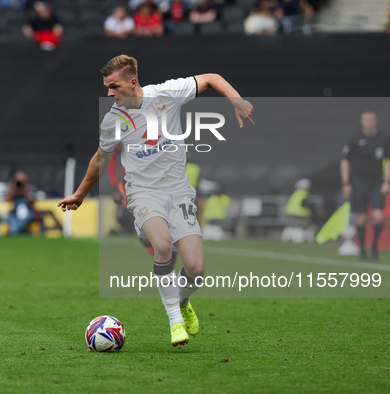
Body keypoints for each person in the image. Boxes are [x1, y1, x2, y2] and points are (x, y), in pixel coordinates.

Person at [58, 55, 254, 346]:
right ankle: (175, 321)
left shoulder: (166, 93)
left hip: (179, 191)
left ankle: (184, 303)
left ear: (133, 82)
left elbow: (211, 77)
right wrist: (80, 194)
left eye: (114, 86)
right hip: (143, 192)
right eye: (107, 87)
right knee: (162, 246)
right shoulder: (113, 119)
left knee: (196, 270)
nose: (109, 93)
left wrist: (235, 99)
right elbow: (101, 158)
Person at [341, 110, 390, 261]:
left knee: (378, 217)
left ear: (376, 120)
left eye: (371, 120)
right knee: (361, 218)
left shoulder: (384, 139)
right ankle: (363, 250)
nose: (369, 122)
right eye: (366, 120)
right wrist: (346, 182)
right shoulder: (355, 139)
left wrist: (387, 182)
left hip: (377, 182)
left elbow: (389, 160)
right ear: (361, 121)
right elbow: (345, 160)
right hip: (359, 182)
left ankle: (374, 245)